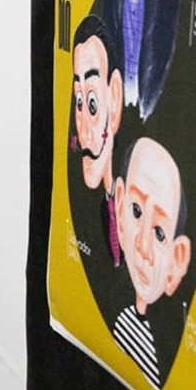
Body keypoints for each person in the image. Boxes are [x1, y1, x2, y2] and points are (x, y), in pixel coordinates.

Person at [111, 137, 190, 390]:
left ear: (177, 260)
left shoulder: (165, 352)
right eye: (136, 211)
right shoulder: (122, 319)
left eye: (159, 233)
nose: (143, 247)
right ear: (120, 206)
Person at [71, 14, 125, 267]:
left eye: (92, 103)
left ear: (114, 98)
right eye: (78, 102)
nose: (82, 129)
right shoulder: (101, 211)